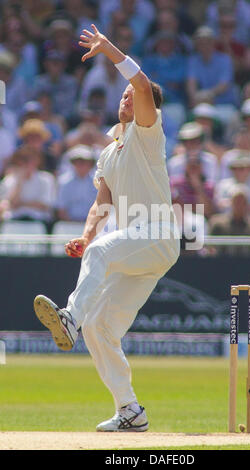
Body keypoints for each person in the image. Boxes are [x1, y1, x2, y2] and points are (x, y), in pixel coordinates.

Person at [33, 24, 180, 432]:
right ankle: (130, 411)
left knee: (94, 280)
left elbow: (143, 84)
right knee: (100, 328)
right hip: (138, 249)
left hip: (158, 235)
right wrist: (86, 236)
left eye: (133, 95)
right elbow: (102, 203)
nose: (127, 97)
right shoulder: (108, 152)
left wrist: (109, 48)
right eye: (125, 95)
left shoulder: (148, 134)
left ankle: (68, 317)